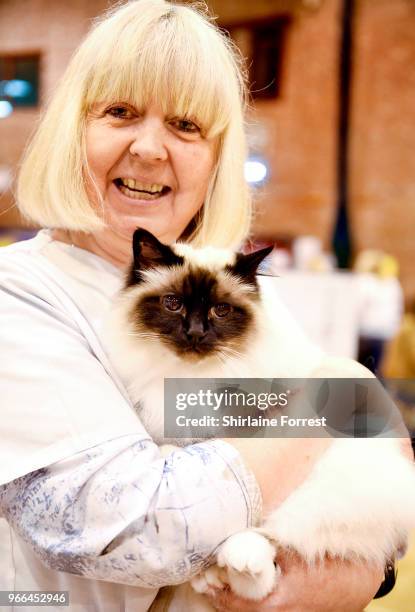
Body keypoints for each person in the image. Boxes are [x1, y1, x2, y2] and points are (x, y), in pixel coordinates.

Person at [0, 1, 389, 610]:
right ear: (71, 128)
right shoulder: (16, 294)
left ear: (215, 160)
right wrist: (336, 394)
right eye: (120, 112)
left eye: (186, 125)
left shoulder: (234, 287)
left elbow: (367, 464)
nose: (150, 149)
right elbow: (141, 530)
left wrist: (367, 565)